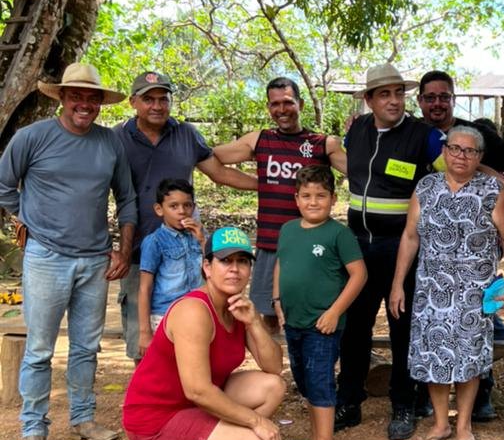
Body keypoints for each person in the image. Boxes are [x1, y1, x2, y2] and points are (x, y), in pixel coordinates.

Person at [0, 63, 137, 440]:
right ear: (62, 97)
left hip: (95, 259)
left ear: (100, 103)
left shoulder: (109, 142)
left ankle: (83, 417)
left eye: (92, 97)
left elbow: (126, 198)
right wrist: (28, 219)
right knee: (40, 348)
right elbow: (4, 186)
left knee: (86, 346)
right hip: (46, 257)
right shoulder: (32, 137)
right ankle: (33, 429)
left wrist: (123, 250)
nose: (84, 104)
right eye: (76, 95)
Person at [122, 226, 285, 440]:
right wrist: (256, 422)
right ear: (207, 267)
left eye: (242, 261)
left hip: (194, 407)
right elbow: (197, 390)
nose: (234, 269)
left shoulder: (237, 307)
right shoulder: (194, 311)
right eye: (225, 261)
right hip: (156, 418)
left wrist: (254, 323)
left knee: (273, 386)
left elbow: (274, 367)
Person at [328, 63, 446, 440]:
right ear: (369, 100)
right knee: (354, 329)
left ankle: (403, 404)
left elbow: (461, 167)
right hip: (357, 247)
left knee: (403, 328)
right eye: (384, 94)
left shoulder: (424, 136)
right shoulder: (357, 130)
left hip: (402, 249)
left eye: (399, 93)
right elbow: (337, 158)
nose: (394, 101)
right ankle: (349, 401)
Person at [389, 125, 504, 440]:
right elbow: (410, 237)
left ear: (480, 157)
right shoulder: (426, 187)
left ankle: (463, 425)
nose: (462, 156)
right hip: (430, 289)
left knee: (468, 359)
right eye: (455, 148)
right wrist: (397, 284)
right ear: (445, 151)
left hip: (473, 293)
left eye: (470, 151)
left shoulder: (492, 190)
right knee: (434, 355)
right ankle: (440, 423)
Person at [418, 69, 504, 419]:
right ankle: (427, 395)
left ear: (453, 98)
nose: (437, 103)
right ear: (421, 101)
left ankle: (481, 391)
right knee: (430, 322)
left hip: (476, 250)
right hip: (430, 244)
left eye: (444, 96)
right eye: (430, 97)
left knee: (477, 320)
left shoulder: (477, 132)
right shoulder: (414, 132)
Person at [115, 70, 257, 361]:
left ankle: (196, 385)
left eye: (163, 99)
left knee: (194, 332)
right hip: (138, 247)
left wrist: (266, 186)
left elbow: (219, 172)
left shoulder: (186, 134)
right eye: (149, 99)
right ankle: (148, 386)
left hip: (186, 250)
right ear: (133, 102)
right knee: (143, 337)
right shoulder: (117, 137)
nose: (157, 106)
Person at [214, 76, 341, 330]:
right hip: (271, 244)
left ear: (300, 104)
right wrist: (259, 183)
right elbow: (212, 159)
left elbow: (360, 170)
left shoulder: (321, 144)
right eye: (275, 104)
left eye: (288, 102)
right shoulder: (260, 140)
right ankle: (273, 358)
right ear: (268, 107)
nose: (282, 110)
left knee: (313, 315)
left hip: (311, 247)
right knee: (269, 317)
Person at [273, 166, 367, 440]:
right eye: (306, 196)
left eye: (321, 196)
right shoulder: (288, 230)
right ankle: (315, 439)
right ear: (296, 199)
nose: (313, 202)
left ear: (333, 199)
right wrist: (277, 301)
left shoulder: (338, 234)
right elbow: (280, 264)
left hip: (322, 326)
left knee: (320, 382)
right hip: (294, 322)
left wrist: (335, 312)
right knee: (304, 381)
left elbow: (359, 275)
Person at [137, 178, 204, 359]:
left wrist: (202, 241)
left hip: (196, 312)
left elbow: (212, 271)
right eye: (173, 206)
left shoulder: (199, 237)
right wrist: (144, 332)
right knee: (168, 364)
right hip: (164, 315)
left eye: (187, 205)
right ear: (159, 209)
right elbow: (145, 288)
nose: (182, 211)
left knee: (193, 362)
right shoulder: (154, 241)